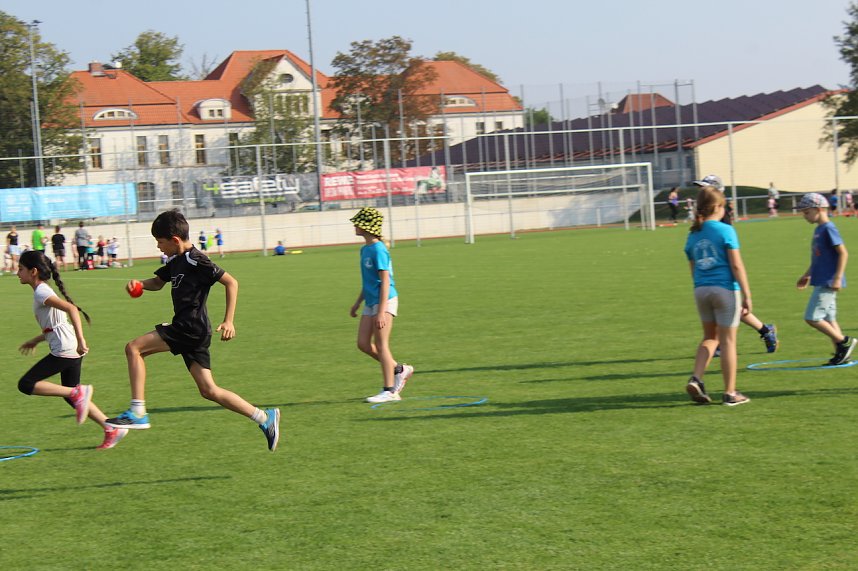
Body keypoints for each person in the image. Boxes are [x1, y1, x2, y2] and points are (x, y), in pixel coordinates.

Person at [104, 209, 281, 451]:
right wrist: (139, 284)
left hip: (189, 328)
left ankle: (137, 412)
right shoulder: (175, 260)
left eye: (160, 242)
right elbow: (157, 283)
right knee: (209, 390)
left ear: (175, 240)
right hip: (193, 330)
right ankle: (264, 418)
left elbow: (231, 282)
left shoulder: (196, 259)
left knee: (133, 348)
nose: (158, 247)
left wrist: (229, 321)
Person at [14, 250, 128, 449]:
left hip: (65, 348)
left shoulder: (41, 292)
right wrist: (35, 340)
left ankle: (77, 393)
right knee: (71, 397)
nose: (17, 273)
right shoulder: (43, 290)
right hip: (70, 346)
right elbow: (54, 326)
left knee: (26, 384)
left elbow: (71, 309)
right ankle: (111, 428)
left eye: (20, 269)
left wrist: (81, 340)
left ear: (33, 271)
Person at [693, 175, 778, 353]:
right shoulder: (707, 215)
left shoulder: (721, 216)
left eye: (705, 188)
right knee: (729, 308)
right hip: (713, 272)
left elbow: (726, 246)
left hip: (723, 270)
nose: (701, 192)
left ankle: (723, 341)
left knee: (730, 308)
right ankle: (764, 330)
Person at [684, 186, 752, 406]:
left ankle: (696, 378)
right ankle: (730, 393)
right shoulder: (726, 230)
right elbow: (736, 265)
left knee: (709, 337)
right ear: (718, 207)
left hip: (701, 290)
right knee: (728, 341)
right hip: (724, 289)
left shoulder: (693, 234)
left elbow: (693, 267)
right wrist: (747, 294)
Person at [348, 207, 414, 403]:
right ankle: (399, 369)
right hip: (371, 301)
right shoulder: (365, 249)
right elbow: (369, 281)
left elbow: (385, 281)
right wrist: (357, 303)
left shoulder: (378, 249)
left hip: (384, 301)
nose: (354, 226)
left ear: (366, 227)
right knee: (363, 344)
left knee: (381, 345)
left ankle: (390, 391)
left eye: (358, 223)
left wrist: (382, 311)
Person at [796, 193, 857, 365]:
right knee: (830, 319)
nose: (804, 216)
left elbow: (843, 253)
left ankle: (844, 342)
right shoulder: (819, 229)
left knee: (812, 318)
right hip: (820, 280)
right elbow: (819, 258)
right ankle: (842, 355)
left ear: (819, 209)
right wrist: (807, 274)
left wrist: (838, 277)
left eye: (807, 212)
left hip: (828, 282)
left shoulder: (829, 228)